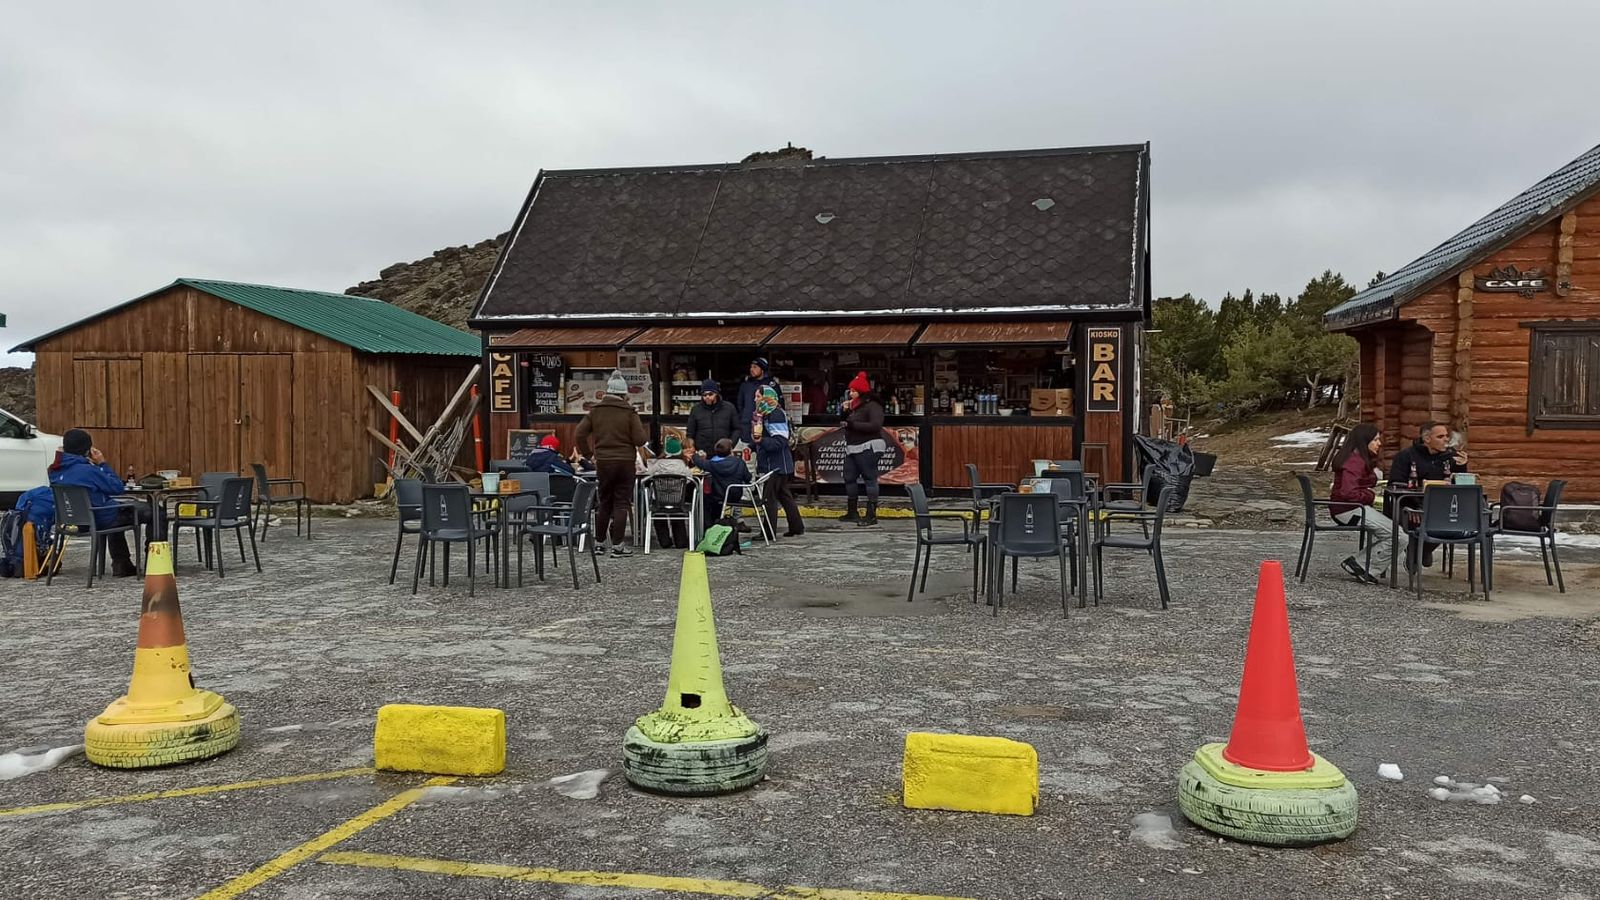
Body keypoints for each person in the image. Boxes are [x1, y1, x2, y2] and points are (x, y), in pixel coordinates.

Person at [46, 428, 148, 577]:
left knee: (115, 509)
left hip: (75, 521)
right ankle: (155, 561)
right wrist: (102, 463)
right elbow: (117, 487)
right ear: (88, 450)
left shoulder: (54, 470)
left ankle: (122, 564)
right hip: (98, 518)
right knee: (153, 511)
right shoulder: (88, 471)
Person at [575, 371, 647, 557]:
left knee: (604, 502)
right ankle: (617, 546)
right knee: (621, 503)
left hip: (604, 462)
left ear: (607, 392)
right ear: (624, 394)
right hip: (625, 462)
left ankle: (599, 544)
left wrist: (589, 454)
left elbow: (579, 434)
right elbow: (640, 440)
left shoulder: (595, 411)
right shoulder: (629, 413)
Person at [1387, 420, 1470, 568]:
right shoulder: (1406, 456)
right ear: (1427, 439)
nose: (1446, 439)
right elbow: (1394, 484)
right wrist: (1413, 506)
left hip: (1440, 507)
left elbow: (1458, 487)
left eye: (1446, 436)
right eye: (1440, 436)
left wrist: (1461, 467)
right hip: (1409, 505)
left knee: (1450, 520)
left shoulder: (1451, 457)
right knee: (1414, 518)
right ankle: (1417, 550)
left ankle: (1422, 550)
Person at [1328, 423, 1401, 585]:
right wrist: (1370, 496)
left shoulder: (1356, 458)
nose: (1379, 443)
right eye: (1375, 440)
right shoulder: (1355, 460)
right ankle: (1361, 565)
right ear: (1364, 441)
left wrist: (1373, 478)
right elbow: (1348, 492)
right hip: (1348, 510)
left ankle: (1363, 564)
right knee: (1399, 535)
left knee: (1394, 533)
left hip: (1347, 508)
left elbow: (1359, 482)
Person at [752, 385, 804, 539]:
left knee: (769, 499)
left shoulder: (775, 414)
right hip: (777, 463)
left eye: (758, 396)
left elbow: (780, 441)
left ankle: (768, 532)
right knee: (784, 496)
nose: (755, 399)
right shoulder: (764, 414)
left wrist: (761, 442)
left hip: (775, 465)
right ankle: (797, 527)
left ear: (767, 397)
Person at [838, 371, 885, 527]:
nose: (850, 393)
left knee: (869, 478)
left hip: (869, 445)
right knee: (849, 476)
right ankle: (852, 511)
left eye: (853, 390)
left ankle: (871, 514)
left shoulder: (873, 405)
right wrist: (844, 412)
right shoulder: (853, 407)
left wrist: (852, 424)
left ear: (861, 391)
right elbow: (843, 421)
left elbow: (876, 425)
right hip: (852, 447)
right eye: (850, 391)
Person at [643, 436, 695, 549]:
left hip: (659, 500)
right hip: (678, 500)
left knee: (658, 514)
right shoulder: (683, 465)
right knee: (678, 514)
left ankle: (664, 541)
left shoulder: (657, 464)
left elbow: (648, 475)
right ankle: (680, 541)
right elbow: (690, 478)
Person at [696, 438, 749, 528]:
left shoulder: (714, 464)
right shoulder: (740, 462)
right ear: (731, 450)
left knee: (703, 499)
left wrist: (695, 455)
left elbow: (700, 463)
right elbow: (748, 478)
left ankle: (709, 526)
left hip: (719, 495)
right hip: (736, 496)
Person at [686, 378, 738, 453]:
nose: (707, 397)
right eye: (704, 395)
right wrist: (692, 449)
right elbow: (690, 433)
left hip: (723, 452)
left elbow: (736, 429)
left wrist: (731, 443)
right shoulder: (696, 409)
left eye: (710, 394)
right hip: (703, 453)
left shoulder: (729, 408)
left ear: (716, 393)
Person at [737, 357, 781, 442]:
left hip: (766, 425)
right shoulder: (746, 385)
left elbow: (778, 404)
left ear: (762, 369)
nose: (751, 369)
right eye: (751, 367)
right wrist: (744, 416)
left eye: (755, 367)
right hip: (748, 425)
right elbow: (740, 404)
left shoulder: (771, 385)